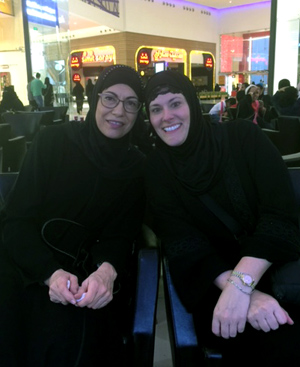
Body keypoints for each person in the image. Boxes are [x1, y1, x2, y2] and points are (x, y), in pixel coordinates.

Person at [143, 70, 300, 366]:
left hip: (279, 269)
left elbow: (280, 214)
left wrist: (243, 286)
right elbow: (185, 245)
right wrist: (243, 293)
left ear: (191, 103)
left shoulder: (243, 138)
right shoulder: (157, 170)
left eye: (175, 103)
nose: (166, 116)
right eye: (155, 108)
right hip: (216, 286)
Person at [0, 64, 146, 366]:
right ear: (95, 99)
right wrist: (49, 273)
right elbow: (16, 221)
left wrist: (105, 272)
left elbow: (120, 234)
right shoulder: (53, 142)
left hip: (86, 274)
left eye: (131, 103)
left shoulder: (136, 166)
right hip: (28, 263)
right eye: (110, 98)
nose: (119, 111)